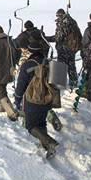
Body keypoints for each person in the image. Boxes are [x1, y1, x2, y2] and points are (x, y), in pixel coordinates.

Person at [14, 31, 60, 159]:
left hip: (33, 100)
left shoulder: (27, 65)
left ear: (30, 52)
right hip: (47, 98)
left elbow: (20, 86)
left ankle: (50, 143)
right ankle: (46, 145)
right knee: (41, 122)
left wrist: (17, 100)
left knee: (31, 126)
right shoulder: (48, 62)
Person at [44, 9, 82, 90]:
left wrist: (46, 38)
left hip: (64, 48)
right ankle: (74, 81)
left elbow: (58, 37)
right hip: (72, 47)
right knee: (71, 65)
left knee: (61, 65)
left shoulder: (64, 24)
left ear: (60, 16)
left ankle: (60, 83)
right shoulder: (72, 21)